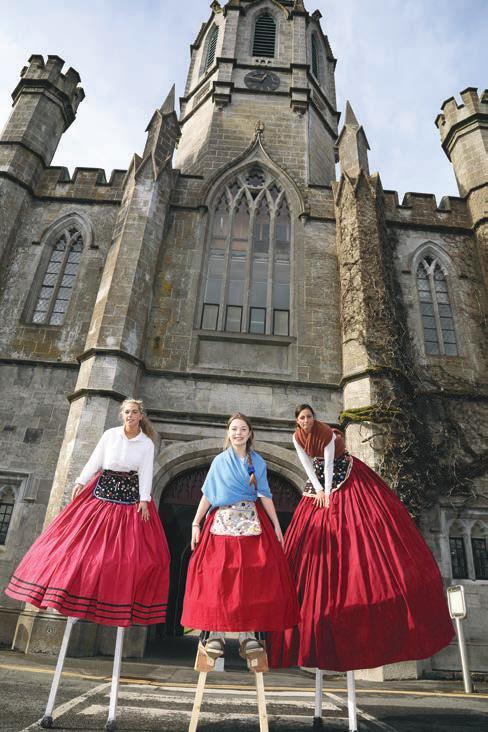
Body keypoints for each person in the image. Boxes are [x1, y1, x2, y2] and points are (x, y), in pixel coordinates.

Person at [267, 404, 454, 672]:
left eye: (309, 417)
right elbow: (308, 465)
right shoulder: (297, 437)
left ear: (314, 419)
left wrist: (328, 496)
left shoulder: (326, 435)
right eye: (302, 418)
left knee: (365, 530)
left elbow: (329, 463)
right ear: (297, 421)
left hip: (340, 474)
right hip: (318, 479)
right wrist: (318, 491)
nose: (306, 421)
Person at [6, 398, 170, 627]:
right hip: (102, 489)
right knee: (76, 543)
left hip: (129, 494)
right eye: (127, 412)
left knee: (132, 553)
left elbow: (145, 471)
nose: (130, 416)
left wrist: (144, 499)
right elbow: (95, 460)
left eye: (134, 412)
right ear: (122, 414)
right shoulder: (110, 435)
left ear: (141, 416)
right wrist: (80, 481)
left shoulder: (146, 443)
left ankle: (114, 599)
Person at [181, 413, 299, 659]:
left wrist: (277, 525)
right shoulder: (219, 461)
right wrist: (195, 522)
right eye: (234, 429)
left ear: (250, 433)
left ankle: (248, 635)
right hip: (222, 521)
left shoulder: (258, 462)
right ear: (228, 432)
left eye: (243, 429)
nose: (238, 433)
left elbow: (265, 494)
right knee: (217, 575)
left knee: (254, 576)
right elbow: (208, 493)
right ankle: (215, 633)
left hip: (251, 521)